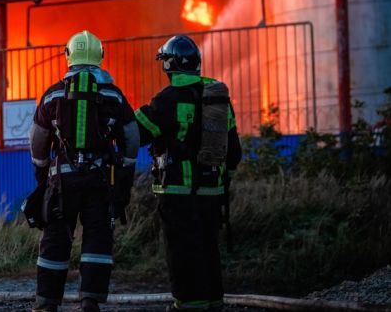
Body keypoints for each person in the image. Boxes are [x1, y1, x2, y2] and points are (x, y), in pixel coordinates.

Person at [29, 30, 140, 312]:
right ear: (100, 56)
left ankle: (46, 303)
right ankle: (90, 301)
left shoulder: (53, 94)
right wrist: (125, 171)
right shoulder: (113, 95)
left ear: (69, 56)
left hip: (62, 184)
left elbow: (38, 140)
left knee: (55, 238)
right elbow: (131, 136)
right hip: (100, 181)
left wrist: (42, 174)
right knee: (97, 238)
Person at [134, 35, 242, 312]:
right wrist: (222, 177)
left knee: (182, 252)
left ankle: (188, 306)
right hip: (213, 191)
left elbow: (138, 133)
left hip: (178, 192)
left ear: (169, 64)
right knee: (208, 248)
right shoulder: (217, 98)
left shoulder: (167, 99)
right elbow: (234, 153)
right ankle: (214, 302)